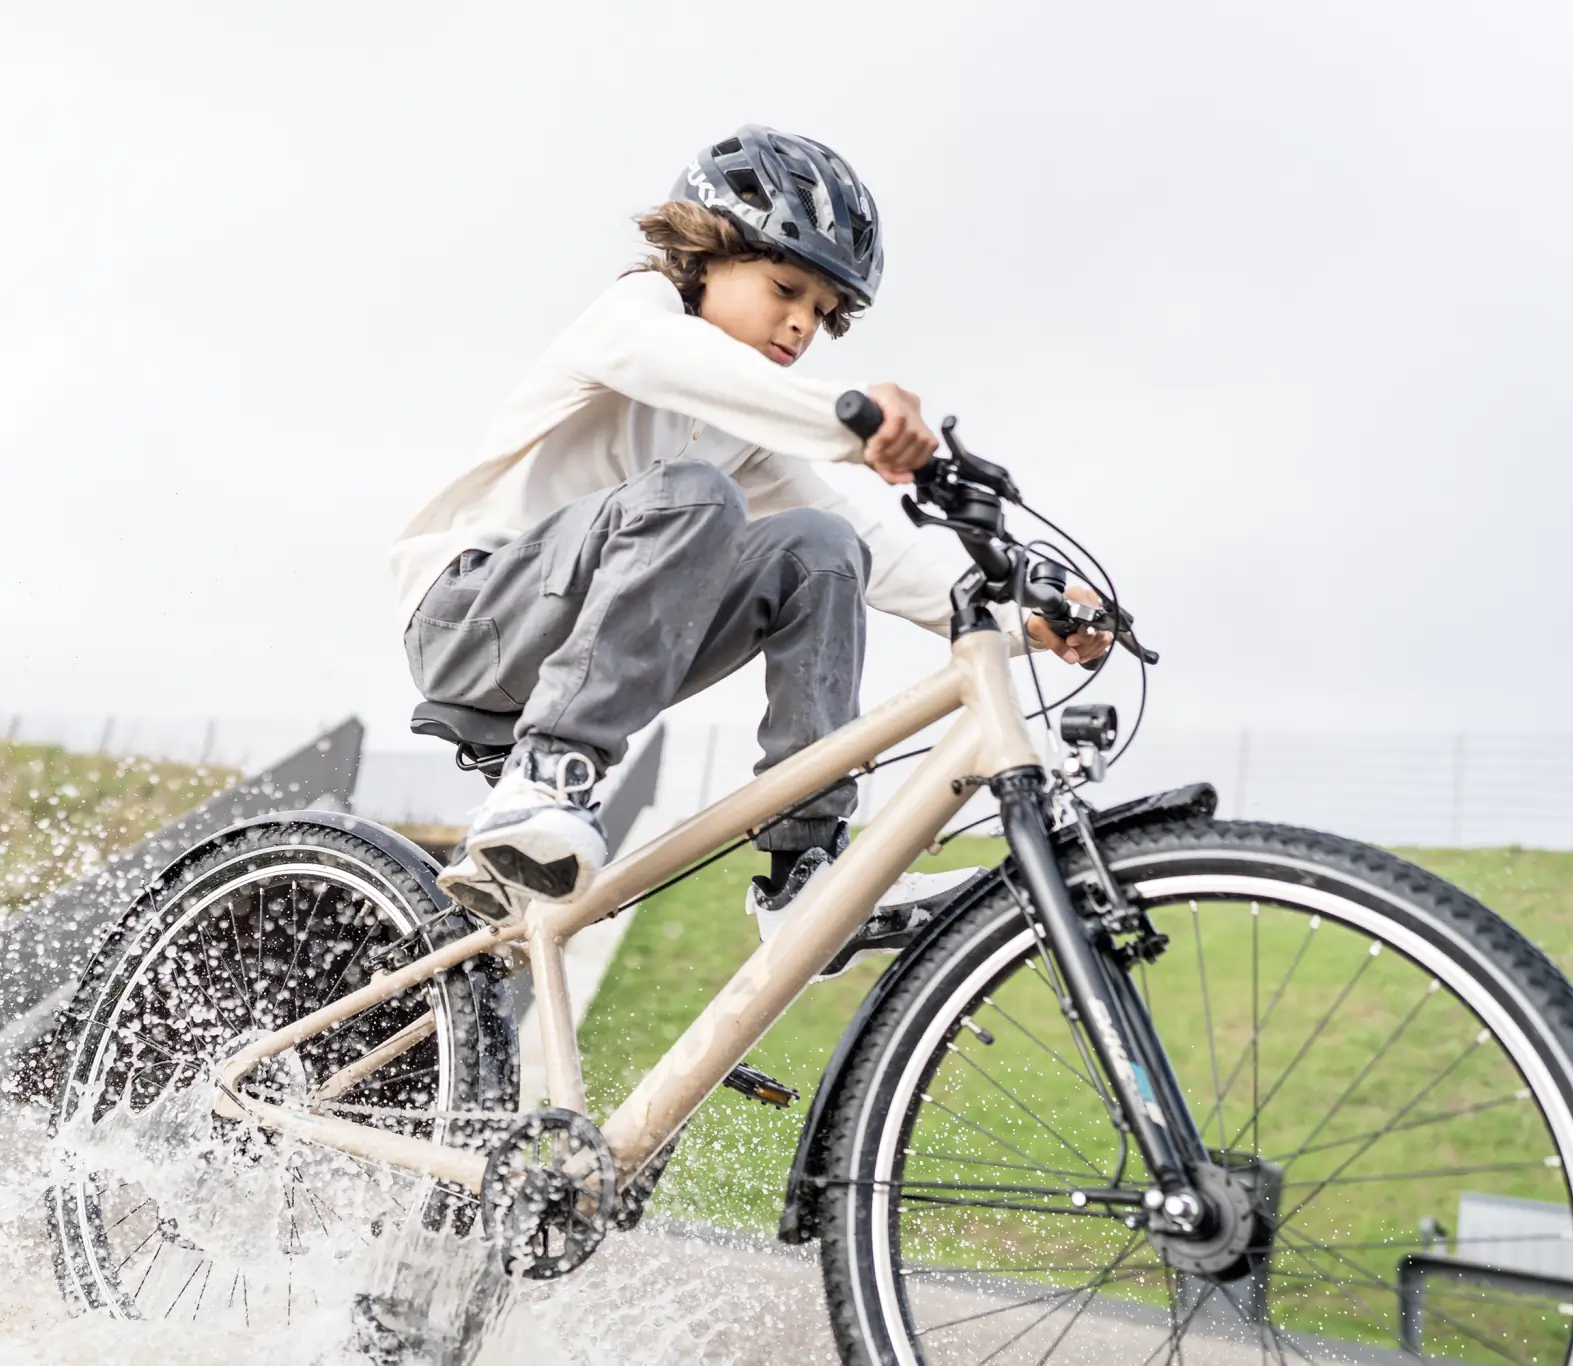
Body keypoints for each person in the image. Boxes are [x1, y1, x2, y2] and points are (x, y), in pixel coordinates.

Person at [391, 125, 1110, 976]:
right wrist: (852, 417)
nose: (802, 323)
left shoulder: (744, 436)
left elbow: (877, 550)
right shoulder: (633, 316)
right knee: (697, 494)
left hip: (576, 653)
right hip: (469, 619)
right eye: (785, 288)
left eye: (823, 312)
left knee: (823, 546)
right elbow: (685, 365)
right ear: (707, 256)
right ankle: (548, 778)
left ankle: (805, 871)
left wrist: (1025, 611)